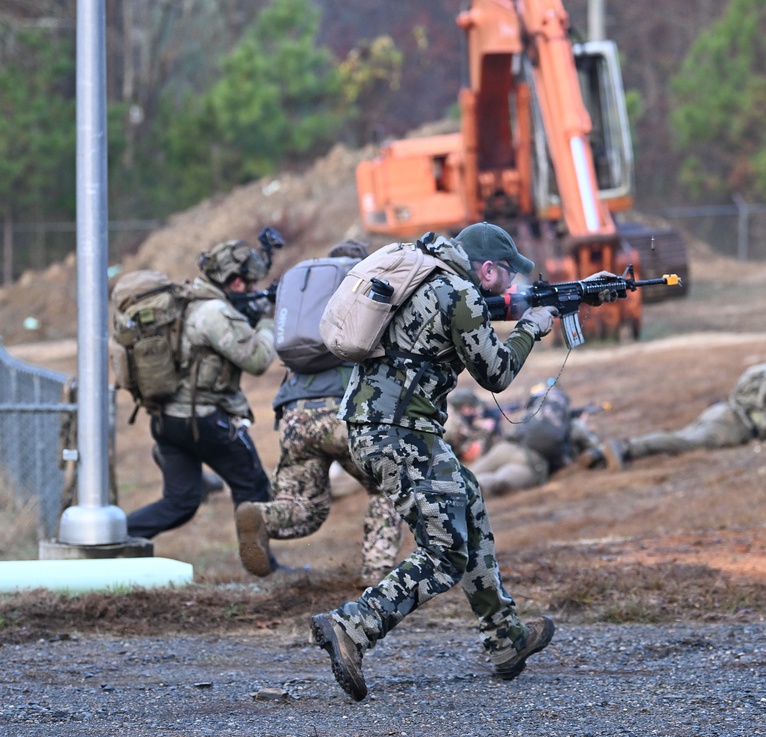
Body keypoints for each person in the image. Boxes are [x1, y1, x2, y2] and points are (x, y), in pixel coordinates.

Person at [309, 221, 571, 702]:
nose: (512, 285)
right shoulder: (460, 294)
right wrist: (532, 327)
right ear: (487, 267)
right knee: (445, 553)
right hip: (400, 432)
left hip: (381, 426)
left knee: (467, 501)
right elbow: (496, 373)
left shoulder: (425, 275)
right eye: (508, 274)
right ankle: (353, 626)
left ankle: (505, 639)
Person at [234, 240, 403, 584]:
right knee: (388, 489)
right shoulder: (368, 294)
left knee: (305, 507)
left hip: (296, 415)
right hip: (344, 413)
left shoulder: (308, 302)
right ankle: (376, 575)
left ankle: (264, 516)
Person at [125, 239, 280, 569]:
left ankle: (115, 539)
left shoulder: (184, 301)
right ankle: (264, 567)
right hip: (205, 420)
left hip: (166, 420)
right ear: (236, 282)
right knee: (252, 486)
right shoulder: (215, 312)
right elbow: (257, 359)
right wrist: (268, 319)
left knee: (180, 501)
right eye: (250, 282)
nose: (252, 288)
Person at [603, 352, 766, 469]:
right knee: (682, 442)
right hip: (734, 424)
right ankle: (626, 449)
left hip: (725, 413)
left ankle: (599, 454)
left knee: (680, 436)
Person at [469, 380, 608, 496]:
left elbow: (511, 432)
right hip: (532, 462)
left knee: (466, 474)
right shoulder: (569, 423)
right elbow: (594, 449)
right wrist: (583, 425)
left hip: (505, 450)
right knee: (494, 483)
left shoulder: (532, 414)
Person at [442, 387, 502, 464]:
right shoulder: (451, 421)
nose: (475, 412)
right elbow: (464, 445)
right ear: (465, 408)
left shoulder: (449, 412)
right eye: (474, 408)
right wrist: (483, 428)